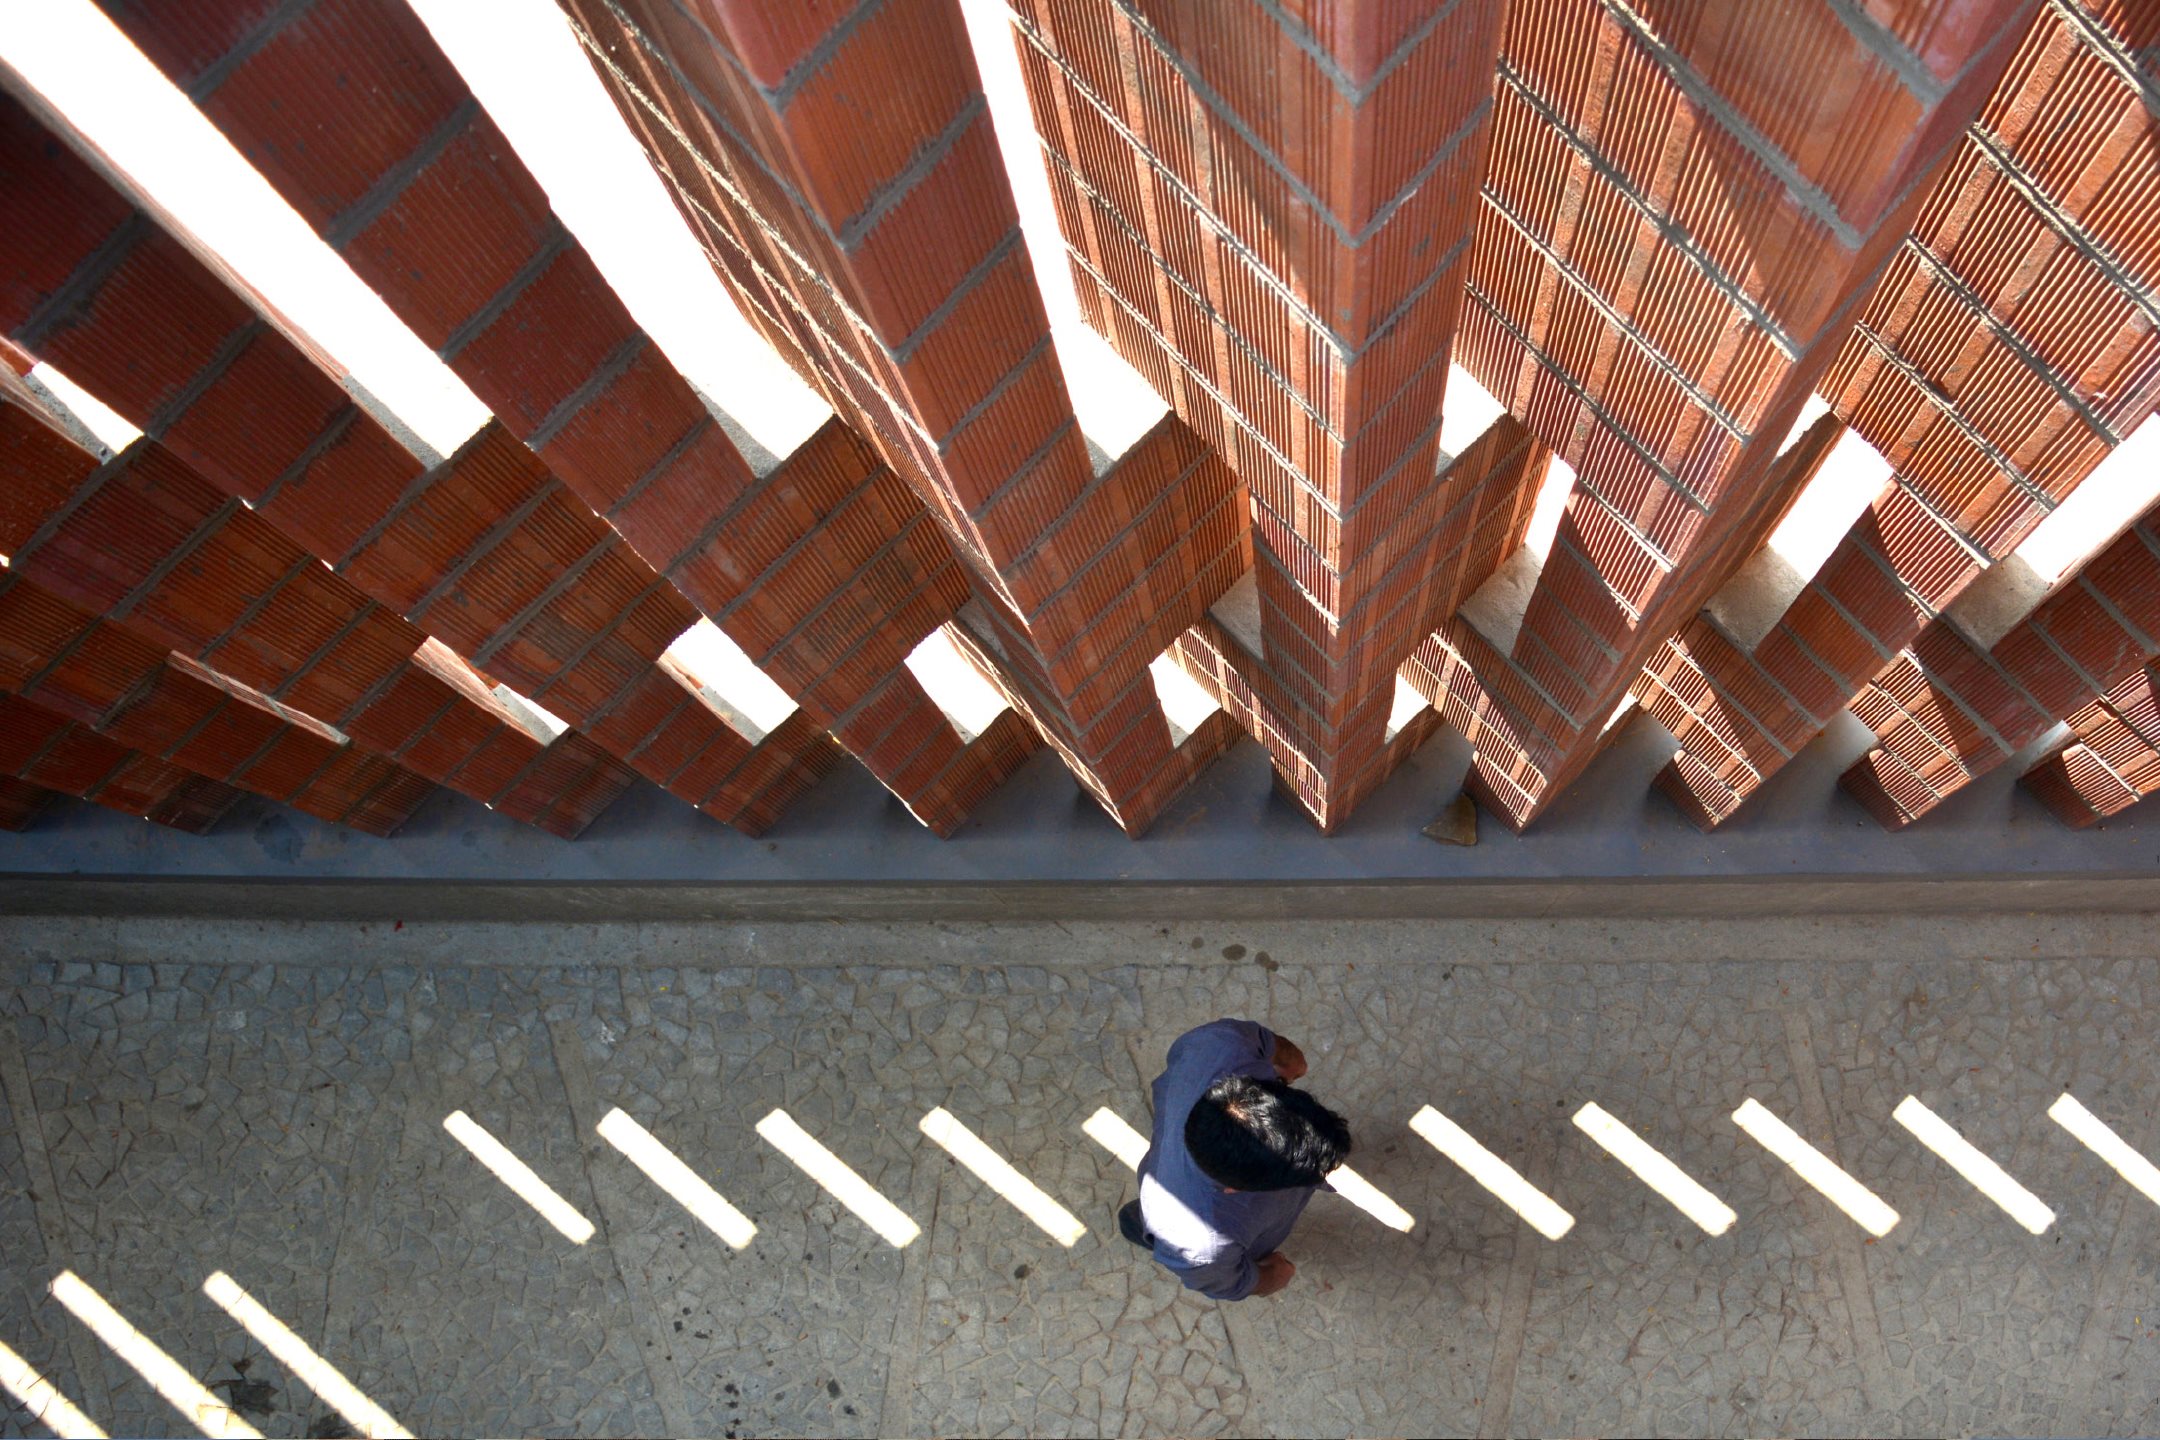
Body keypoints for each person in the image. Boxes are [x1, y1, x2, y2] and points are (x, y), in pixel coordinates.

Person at [1117, 1017, 1352, 1300]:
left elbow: (1272, 1047)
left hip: (1171, 1184)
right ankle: (1138, 1223)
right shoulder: (1196, 1244)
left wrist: (1289, 1059)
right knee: (1140, 1224)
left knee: (1150, 1215)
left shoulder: (1222, 1045)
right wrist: (1273, 1277)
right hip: (1175, 1218)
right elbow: (1229, 1283)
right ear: (1234, 1189)